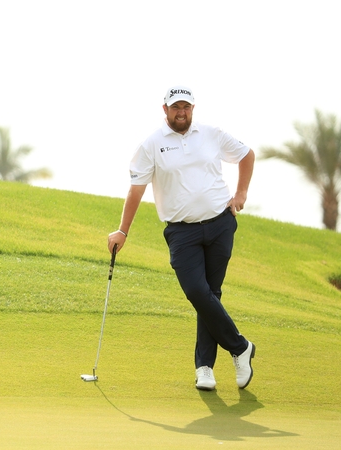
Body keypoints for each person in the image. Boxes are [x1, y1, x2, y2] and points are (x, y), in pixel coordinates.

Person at [107, 85, 256, 391]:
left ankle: (204, 369)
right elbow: (136, 189)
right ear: (165, 110)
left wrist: (240, 194)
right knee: (197, 292)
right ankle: (240, 347)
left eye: (186, 107)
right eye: (176, 107)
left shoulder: (211, 133)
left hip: (220, 224)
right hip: (181, 231)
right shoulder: (152, 144)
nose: (181, 112)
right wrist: (123, 230)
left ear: (193, 108)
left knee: (211, 293)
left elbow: (246, 154)